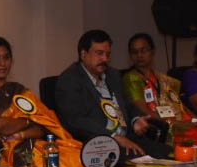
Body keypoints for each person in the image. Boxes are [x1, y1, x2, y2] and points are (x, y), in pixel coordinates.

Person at [0, 36, 85, 167]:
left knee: (74, 156)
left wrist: (20, 134)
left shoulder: (19, 90)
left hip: (24, 141)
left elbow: (42, 128)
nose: (2, 63)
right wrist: (28, 121)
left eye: (6, 57)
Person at [55, 29, 171, 159]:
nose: (105, 59)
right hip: (98, 145)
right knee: (145, 159)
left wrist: (135, 120)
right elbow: (76, 121)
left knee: (170, 154)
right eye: (99, 53)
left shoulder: (112, 75)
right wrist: (114, 137)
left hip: (126, 137)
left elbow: (127, 104)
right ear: (83, 54)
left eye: (108, 54)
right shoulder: (70, 80)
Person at [122, 32, 197, 146]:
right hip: (163, 126)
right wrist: (176, 123)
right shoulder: (131, 78)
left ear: (152, 51)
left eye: (144, 50)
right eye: (134, 52)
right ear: (130, 55)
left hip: (180, 121)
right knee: (194, 136)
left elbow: (179, 104)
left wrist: (196, 119)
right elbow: (144, 111)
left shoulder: (161, 78)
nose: (139, 55)